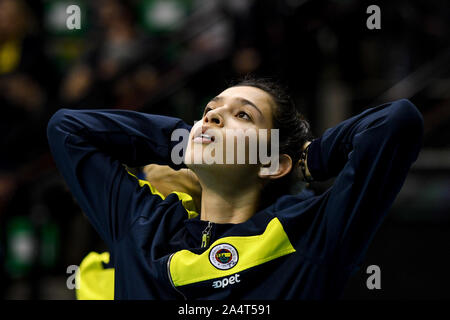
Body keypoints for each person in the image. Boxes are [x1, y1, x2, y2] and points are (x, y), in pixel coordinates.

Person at [47, 78, 423, 299]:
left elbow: (396, 122)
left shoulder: (309, 234)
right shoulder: (142, 228)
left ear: (272, 164)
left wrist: (314, 157)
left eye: (242, 114)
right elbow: (67, 129)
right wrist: (185, 139)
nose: (211, 116)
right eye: (210, 110)